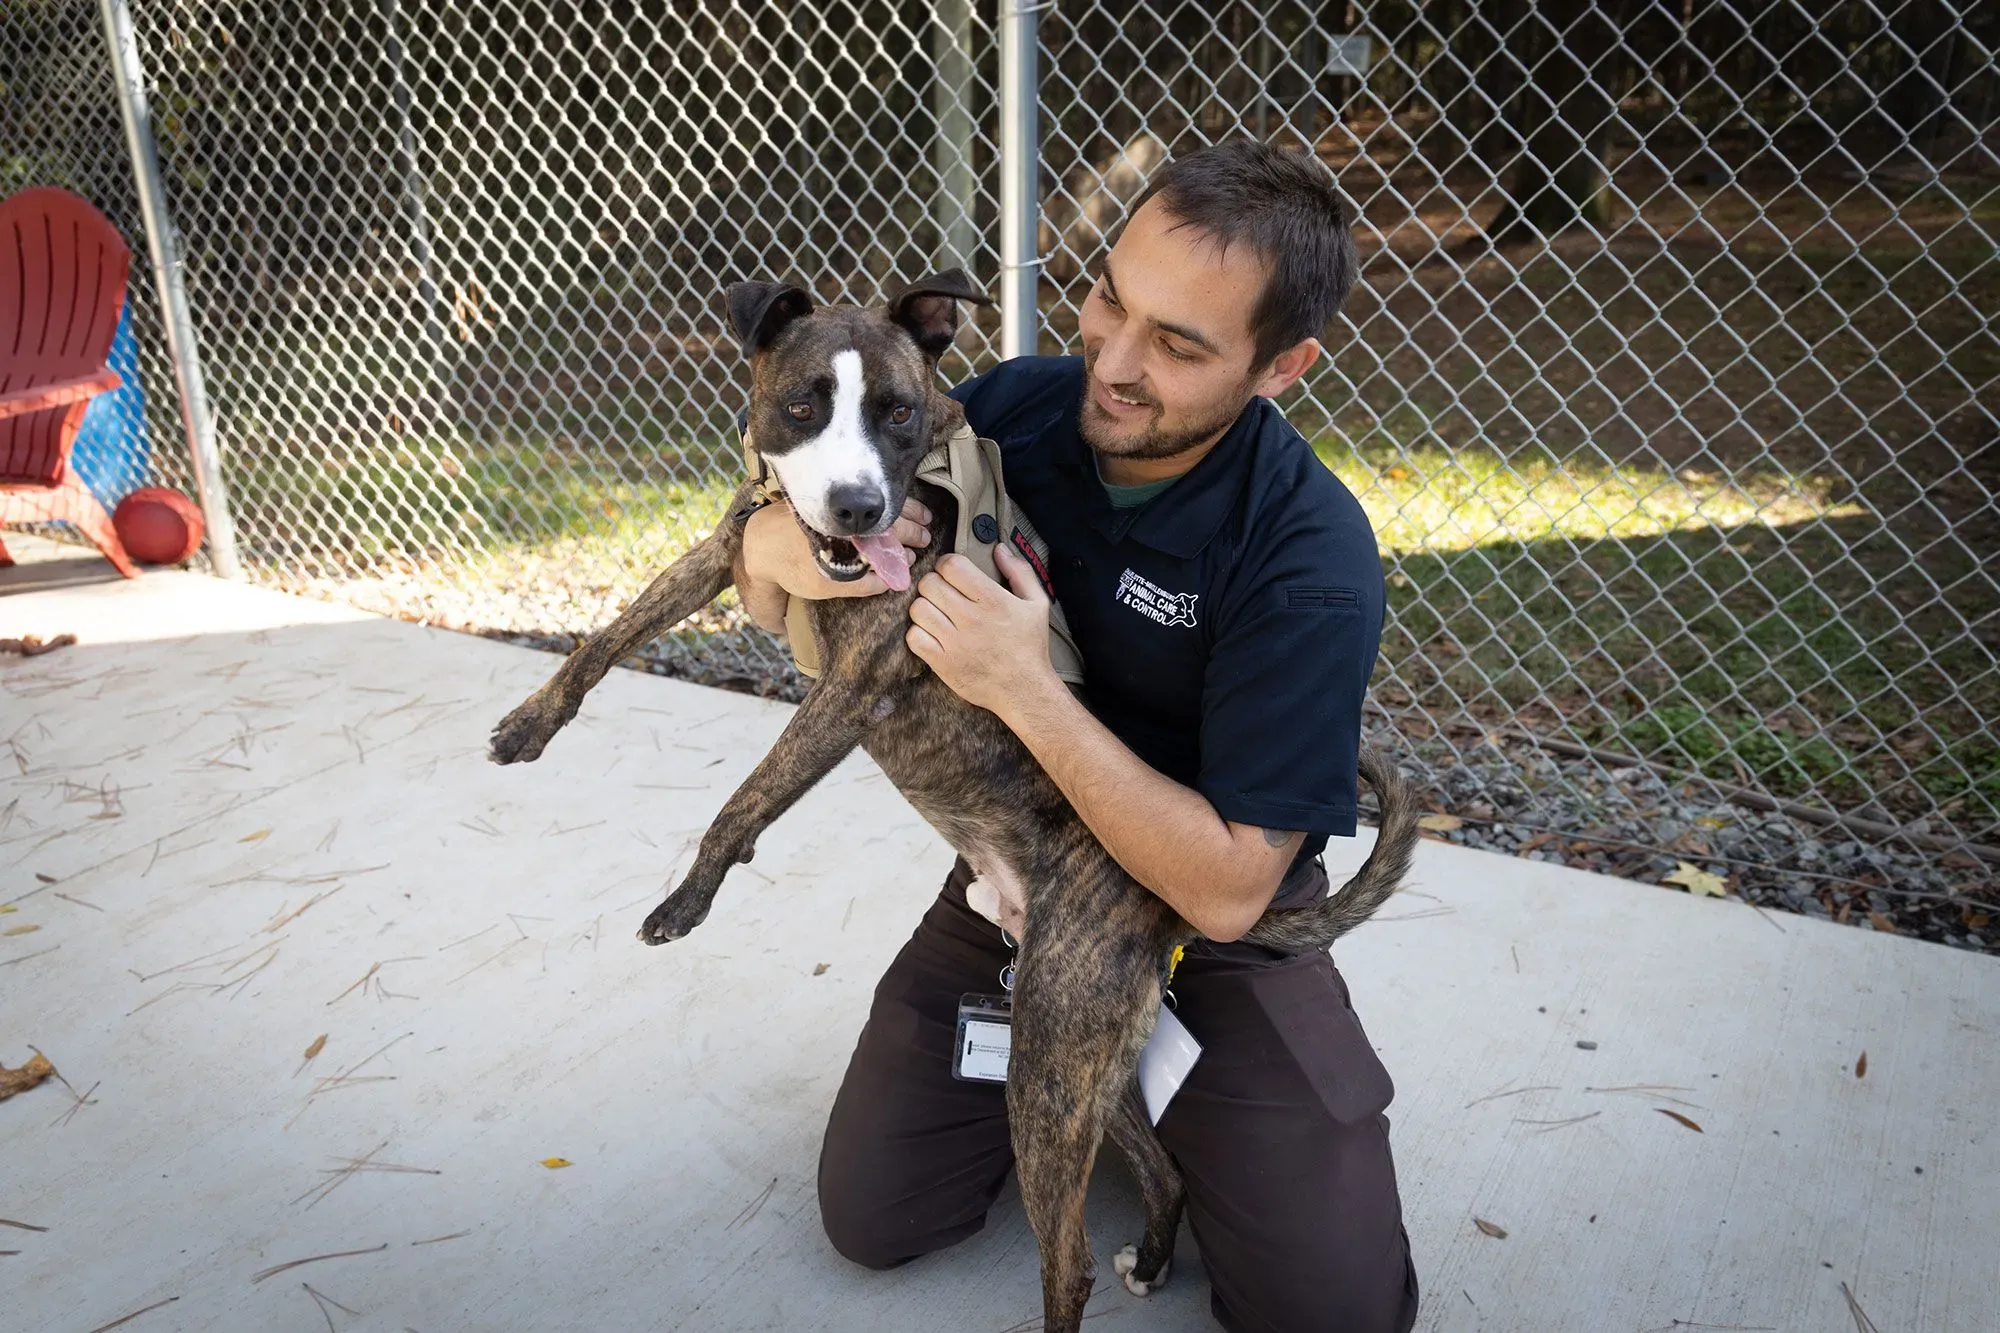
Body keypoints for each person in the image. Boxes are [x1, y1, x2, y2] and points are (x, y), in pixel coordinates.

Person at [732, 138, 1417, 1333]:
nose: (1111, 359)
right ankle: (1076, 1076)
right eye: (1110, 298)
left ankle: (1154, 1094)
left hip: (1208, 923)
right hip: (1021, 872)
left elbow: (1225, 888)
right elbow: (762, 577)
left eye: (1180, 344)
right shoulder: (1015, 411)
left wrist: (1022, 686)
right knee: (874, 1214)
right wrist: (792, 545)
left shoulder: (1308, 557)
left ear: (1281, 365)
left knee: (1333, 1313)